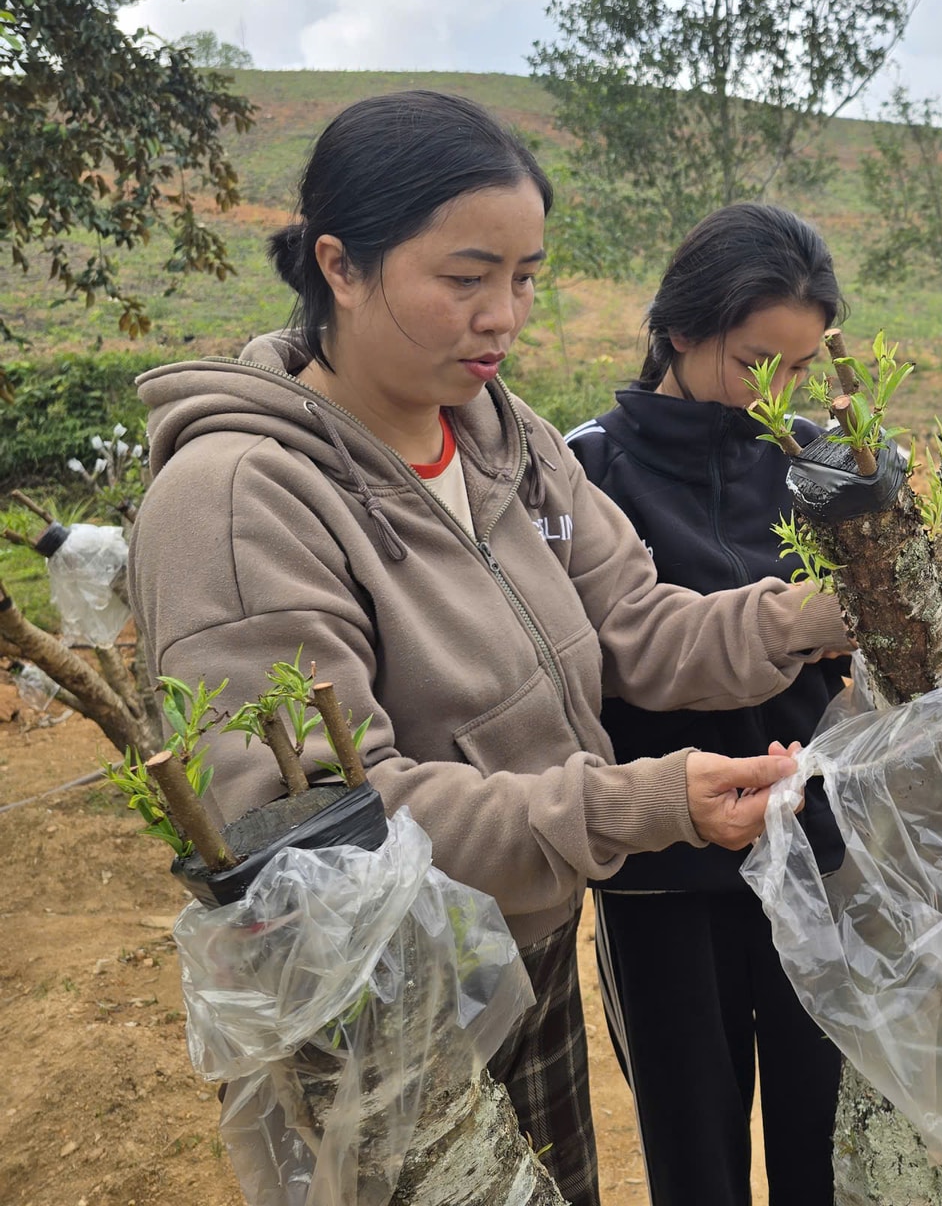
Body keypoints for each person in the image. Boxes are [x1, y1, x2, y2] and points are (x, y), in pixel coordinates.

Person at [128, 91, 849, 1206]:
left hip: (526, 953)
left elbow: (642, 628)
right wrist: (639, 804)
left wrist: (835, 605)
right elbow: (315, 841)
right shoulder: (241, 500)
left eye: (523, 278)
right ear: (341, 266)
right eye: (465, 280)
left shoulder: (507, 440)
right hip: (383, 1018)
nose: (502, 315)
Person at [565, 203, 848, 1206]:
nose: (777, 395)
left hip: (811, 853)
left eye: (800, 370)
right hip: (663, 875)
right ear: (680, 330)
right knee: (697, 1155)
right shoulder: (586, 471)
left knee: (827, 1141)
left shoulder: (819, 468)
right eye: (754, 361)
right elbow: (609, 661)